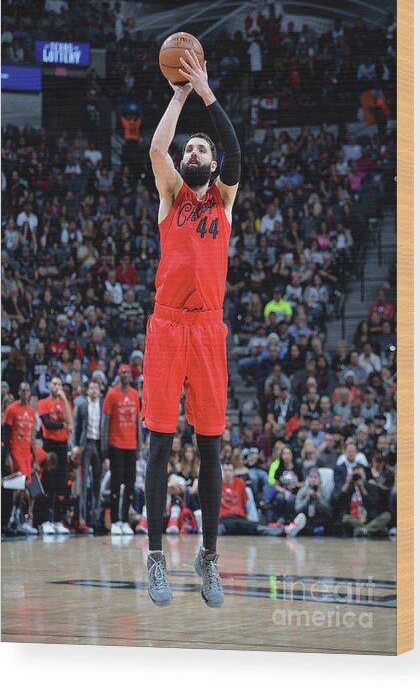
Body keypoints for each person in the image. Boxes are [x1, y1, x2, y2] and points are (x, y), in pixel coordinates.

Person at [141, 49, 241, 608]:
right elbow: (158, 147)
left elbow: (240, 157)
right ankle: (156, 556)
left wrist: (206, 90)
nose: (194, 150)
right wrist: (180, 93)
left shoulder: (225, 200)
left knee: (210, 448)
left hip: (208, 332)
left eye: (203, 147)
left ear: (213, 160)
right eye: (190, 148)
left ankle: (208, 558)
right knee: (159, 443)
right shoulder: (170, 195)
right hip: (167, 327)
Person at [102, 364, 142, 535]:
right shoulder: (111, 394)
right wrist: (104, 448)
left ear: (131, 376)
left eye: (127, 372)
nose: (125, 375)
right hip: (115, 445)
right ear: (118, 376)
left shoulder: (134, 395)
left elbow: (138, 423)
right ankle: (115, 521)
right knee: (116, 485)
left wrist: (139, 446)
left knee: (130, 484)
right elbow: (105, 423)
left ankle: (125, 520)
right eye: (122, 373)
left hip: (131, 446)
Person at [37, 376, 73, 534]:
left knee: (60, 484)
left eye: (59, 384)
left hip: (62, 446)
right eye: (54, 384)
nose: (57, 386)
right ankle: (46, 520)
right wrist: (62, 425)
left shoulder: (66, 403)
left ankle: (58, 521)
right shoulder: (43, 402)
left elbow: (70, 422)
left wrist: (64, 399)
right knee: (48, 483)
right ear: (49, 386)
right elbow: (47, 423)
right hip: (49, 445)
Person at [3, 382, 39, 534]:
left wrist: (35, 459)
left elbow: (31, 437)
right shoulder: (11, 409)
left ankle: (16, 517)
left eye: (27, 390)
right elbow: (5, 434)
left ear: (30, 393)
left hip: (26, 453)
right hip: (15, 451)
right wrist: (7, 455)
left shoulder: (31, 412)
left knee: (25, 488)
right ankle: (14, 518)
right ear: (18, 392)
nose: (25, 393)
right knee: (21, 485)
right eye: (22, 390)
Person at [71, 379, 104, 531]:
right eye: (91, 387)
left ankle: (97, 518)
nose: (93, 390)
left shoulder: (103, 405)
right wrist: (75, 446)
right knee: (83, 483)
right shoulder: (82, 404)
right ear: (87, 390)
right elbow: (76, 426)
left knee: (97, 482)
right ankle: (83, 518)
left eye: (95, 387)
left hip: (99, 445)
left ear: (99, 389)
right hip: (85, 445)